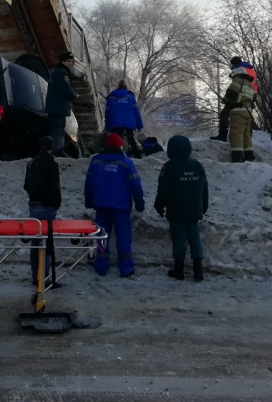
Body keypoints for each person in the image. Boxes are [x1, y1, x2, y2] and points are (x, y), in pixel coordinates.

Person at [84, 132, 145, 278]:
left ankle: (101, 266)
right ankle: (126, 268)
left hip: (102, 206)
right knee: (123, 237)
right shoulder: (126, 162)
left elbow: (89, 184)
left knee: (101, 236)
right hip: (121, 207)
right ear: (120, 146)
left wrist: (89, 201)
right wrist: (139, 204)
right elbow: (135, 185)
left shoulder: (96, 161)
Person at [154, 135, 209, 282]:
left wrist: (159, 206)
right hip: (194, 211)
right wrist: (203, 207)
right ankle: (198, 271)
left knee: (178, 240)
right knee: (195, 239)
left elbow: (163, 191)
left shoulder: (169, 167)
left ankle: (179, 270)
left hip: (176, 212)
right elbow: (204, 189)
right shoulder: (197, 165)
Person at [24, 136, 62, 287]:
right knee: (47, 241)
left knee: (35, 240)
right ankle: (44, 276)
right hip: (47, 207)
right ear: (51, 147)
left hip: (33, 206)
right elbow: (55, 187)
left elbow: (26, 185)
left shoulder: (31, 164)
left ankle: (35, 273)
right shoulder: (52, 165)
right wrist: (56, 203)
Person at [211, 57, 258, 142]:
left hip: (239, 96)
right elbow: (254, 85)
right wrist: (254, 98)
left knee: (224, 114)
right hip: (250, 96)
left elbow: (236, 85)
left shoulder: (239, 69)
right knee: (247, 117)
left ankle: (222, 135)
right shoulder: (252, 71)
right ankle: (247, 138)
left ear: (234, 63)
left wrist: (227, 99)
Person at [45, 51, 79, 157]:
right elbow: (65, 89)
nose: (70, 63)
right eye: (68, 61)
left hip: (53, 106)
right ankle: (58, 150)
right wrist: (75, 96)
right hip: (59, 106)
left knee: (54, 129)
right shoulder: (62, 72)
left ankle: (51, 150)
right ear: (62, 61)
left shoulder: (54, 72)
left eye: (71, 61)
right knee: (59, 129)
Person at [222, 63, 257, 162]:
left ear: (236, 73)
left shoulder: (238, 80)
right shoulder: (250, 85)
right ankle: (249, 155)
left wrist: (225, 101)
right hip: (248, 112)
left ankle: (237, 157)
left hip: (238, 111)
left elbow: (231, 93)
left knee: (236, 134)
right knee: (246, 135)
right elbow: (254, 98)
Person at [104, 79, 144, 158]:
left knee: (117, 140)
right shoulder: (130, 96)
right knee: (131, 139)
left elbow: (107, 113)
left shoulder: (111, 97)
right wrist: (139, 125)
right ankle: (137, 156)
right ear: (126, 86)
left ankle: (116, 156)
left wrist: (107, 127)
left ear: (118, 86)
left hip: (115, 123)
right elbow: (136, 112)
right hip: (129, 124)